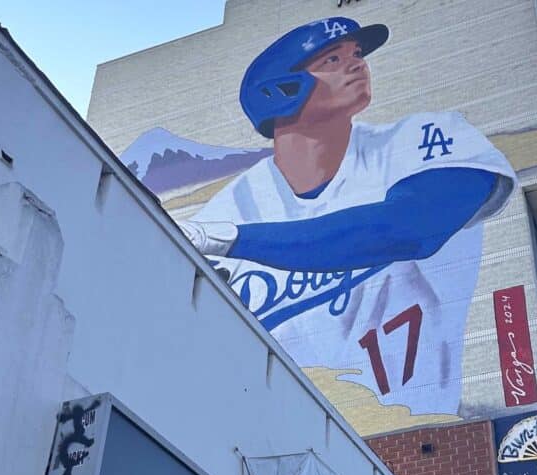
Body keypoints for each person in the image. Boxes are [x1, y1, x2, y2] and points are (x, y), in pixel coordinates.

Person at [179, 17, 517, 416]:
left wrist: (236, 240)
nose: (357, 64)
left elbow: (410, 228)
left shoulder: (424, 137)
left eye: (357, 54)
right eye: (332, 60)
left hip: (422, 437)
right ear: (278, 91)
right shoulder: (227, 209)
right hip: (274, 445)